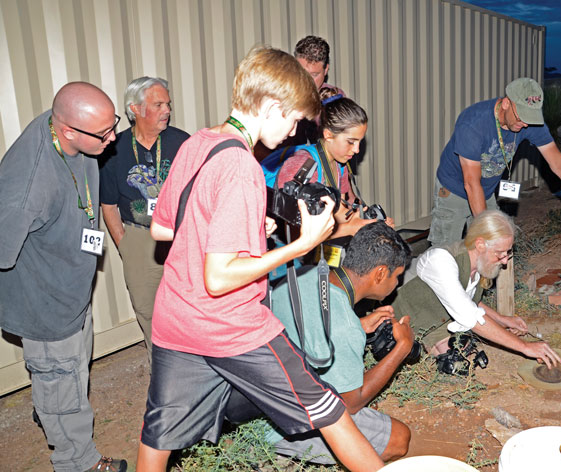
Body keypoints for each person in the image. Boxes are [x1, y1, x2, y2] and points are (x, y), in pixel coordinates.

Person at [136, 46, 384, 472]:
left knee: (158, 437)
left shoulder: (200, 141)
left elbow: (163, 227)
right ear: (271, 106)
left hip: (177, 321)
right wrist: (300, 245)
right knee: (326, 406)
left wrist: (247, 229)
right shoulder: (242, 166)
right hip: (232, 326)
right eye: (291, 119)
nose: (291, 133)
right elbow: (219, 278)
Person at [0, 82, 127, 471]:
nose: (113, 137)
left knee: (67, 376)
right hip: (47, 310)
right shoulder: (28, 184)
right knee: (63, 384)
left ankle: (49, 405)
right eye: (104, 133)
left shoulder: (73, 134)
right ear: (68, 131)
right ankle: (79, 462)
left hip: (71, 294)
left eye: (113, 125)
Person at [264, 221, 413, 464]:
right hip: (281, 422)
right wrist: (401, 349)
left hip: (265, 392)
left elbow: (310, 327)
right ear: (380, 273)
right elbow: (351, 403)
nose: (397, 283)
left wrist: (359, 324)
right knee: (399, 438)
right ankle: (280, 450)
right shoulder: (343, 325)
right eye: (397, 276)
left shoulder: (306, 273)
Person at [429, 77, 561, 246]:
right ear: (506, 103)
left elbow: (558, 162)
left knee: (493, 250)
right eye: (521, 116)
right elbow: (471, 183)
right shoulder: (473, 123)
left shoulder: (529, 122)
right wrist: (486, 230)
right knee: (445, 255)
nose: (525, 125)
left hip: (485, 189)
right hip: (454, 189)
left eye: (530, 118)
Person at [392, 210, 561, 369]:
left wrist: (503, 320)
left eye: (508, 253)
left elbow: (470, 300)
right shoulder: (441, 261)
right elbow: (469, 315)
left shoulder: (479, 261)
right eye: (500, 253)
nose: (504, 261)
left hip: (438, 315)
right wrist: (525, 347)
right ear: (480, 244)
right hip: (410, 315)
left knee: (467, 353)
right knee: (455, 364)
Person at [100, 77, 190, 362]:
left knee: (188, 307)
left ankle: (195, 368)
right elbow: (109, 205)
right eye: (158, 104)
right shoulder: (115, 149)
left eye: (168, 104)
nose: (166, 110)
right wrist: (125, 245)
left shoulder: (181, 142)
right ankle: (162, 369)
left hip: (181, 237)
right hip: (139, 237)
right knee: (148, 310)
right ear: (135, 109)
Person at [277, 88, 395, 239]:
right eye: (351, 142)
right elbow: (300, 235)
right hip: (287, 256)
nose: (357, 150)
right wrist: (351, 228)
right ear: (328, 135)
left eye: (360, 142)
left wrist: (372, 225)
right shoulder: (302, 167)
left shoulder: (340, 165)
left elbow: (341, 214)